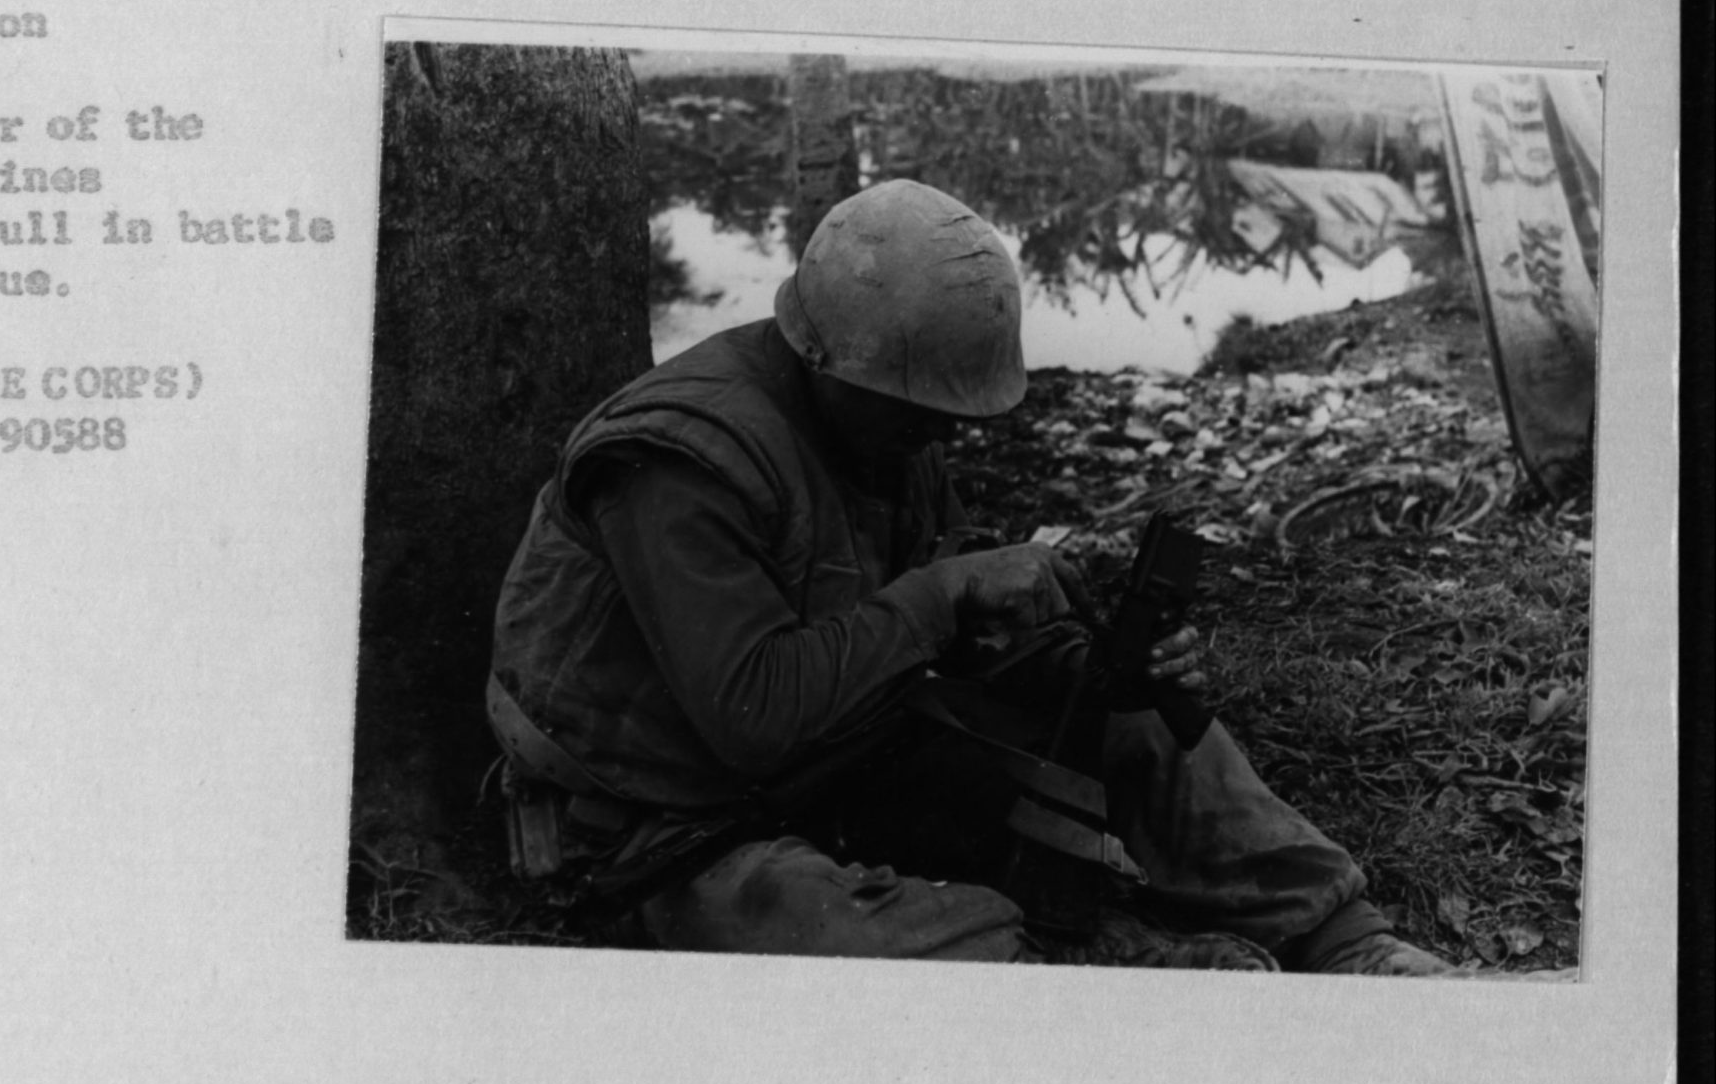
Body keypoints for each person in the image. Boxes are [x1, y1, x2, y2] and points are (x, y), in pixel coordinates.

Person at [487, 180, 1454, 974]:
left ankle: (1343, 938)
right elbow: (753, 718)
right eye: (921, 414)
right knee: (875, 936)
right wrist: (944, 596)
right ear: (826, 363)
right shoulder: (682, 462)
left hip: (849, 751)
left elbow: (953, 624)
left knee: (1139, 721)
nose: (942, 437)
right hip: (666, 818)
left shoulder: (882, 421)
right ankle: (1102, 964)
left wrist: (1096, 665)